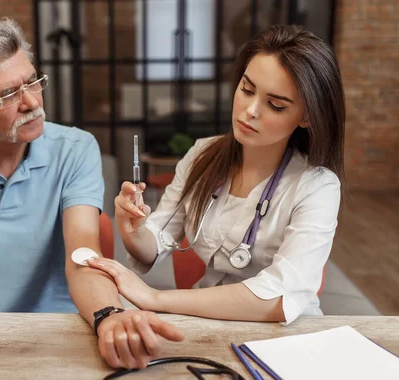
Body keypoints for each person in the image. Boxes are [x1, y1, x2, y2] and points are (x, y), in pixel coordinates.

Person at [0, 18, 183, 369]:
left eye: (32, 81)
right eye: (7, 94)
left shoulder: (76, 150)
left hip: (61, 331)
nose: (31, 102)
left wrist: (109, 313)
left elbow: (83, 251)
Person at [89, 25, 345, 325]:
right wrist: (133, 230)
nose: (250, 110)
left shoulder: (317, 186)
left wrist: (156, 298)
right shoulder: (202, 155)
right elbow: (157, 240)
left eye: (275, 105)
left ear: (306, 116)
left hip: (284, 334)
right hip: (206, 322)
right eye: (247, 89)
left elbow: (280, 297)